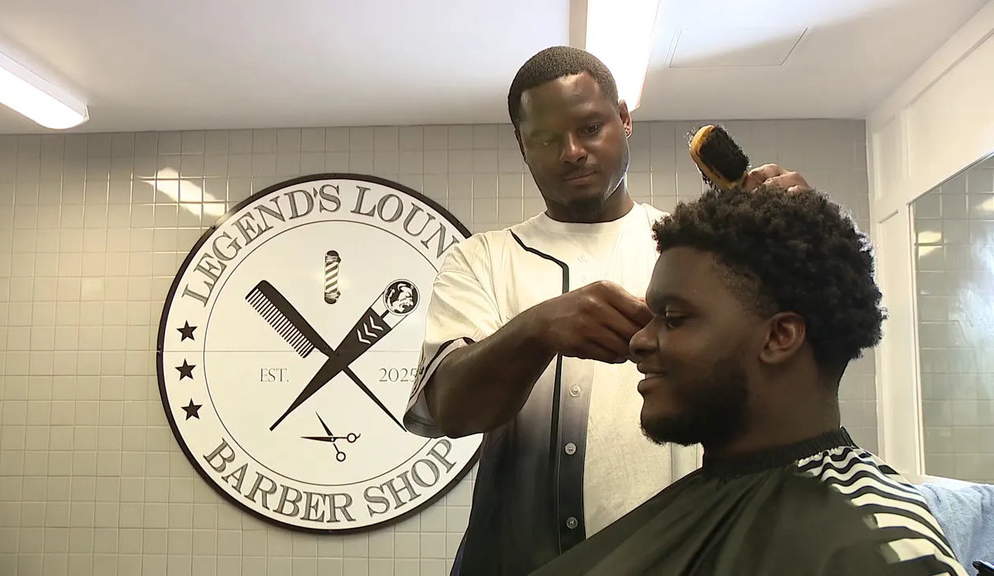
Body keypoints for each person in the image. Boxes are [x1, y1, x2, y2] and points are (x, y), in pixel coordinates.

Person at [401, 45, 810, 576]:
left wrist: (795, 243)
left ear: (624, 119)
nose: (572, 151)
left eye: (590, 127)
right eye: (546, 139)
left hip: (680, 558)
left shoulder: (690, 251)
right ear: (523, 148)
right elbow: (449, 411)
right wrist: (536, 330)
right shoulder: (480, 260)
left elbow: (786, 367)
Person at [529, 185, 969, 575]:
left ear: (779, 337)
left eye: (674, 319)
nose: (638, 342)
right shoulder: (706, 498)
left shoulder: (878, 545)